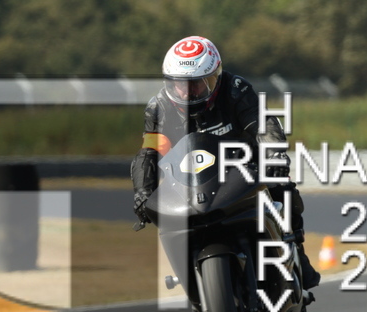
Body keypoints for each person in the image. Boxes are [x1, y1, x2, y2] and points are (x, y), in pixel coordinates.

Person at [130, 36, 320, 291]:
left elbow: (264, 123)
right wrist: (142, 192)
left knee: (282, 188)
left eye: (197, 83)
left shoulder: (236, 89)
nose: (188, 92)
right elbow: (149, 153)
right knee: (166, 216)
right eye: (180, 84)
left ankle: (296, 251)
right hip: (193, 180)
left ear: (215, 77)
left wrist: (274, 155)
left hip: (244, 168)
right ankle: (189, 275)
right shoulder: (158, 108)